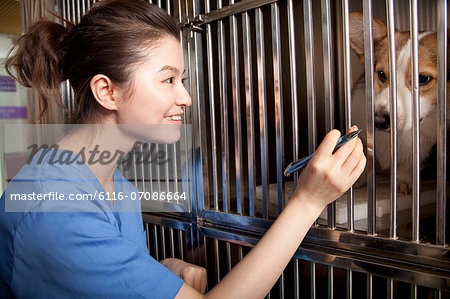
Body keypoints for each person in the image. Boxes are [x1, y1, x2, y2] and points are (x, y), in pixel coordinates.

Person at [0, 0, 366, 298]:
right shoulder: (54, 208)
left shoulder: (114, 184)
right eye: (168, 79)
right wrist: (307, 201)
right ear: (107, 91)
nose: (186, 98)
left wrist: (157, 276)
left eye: (183, 80)